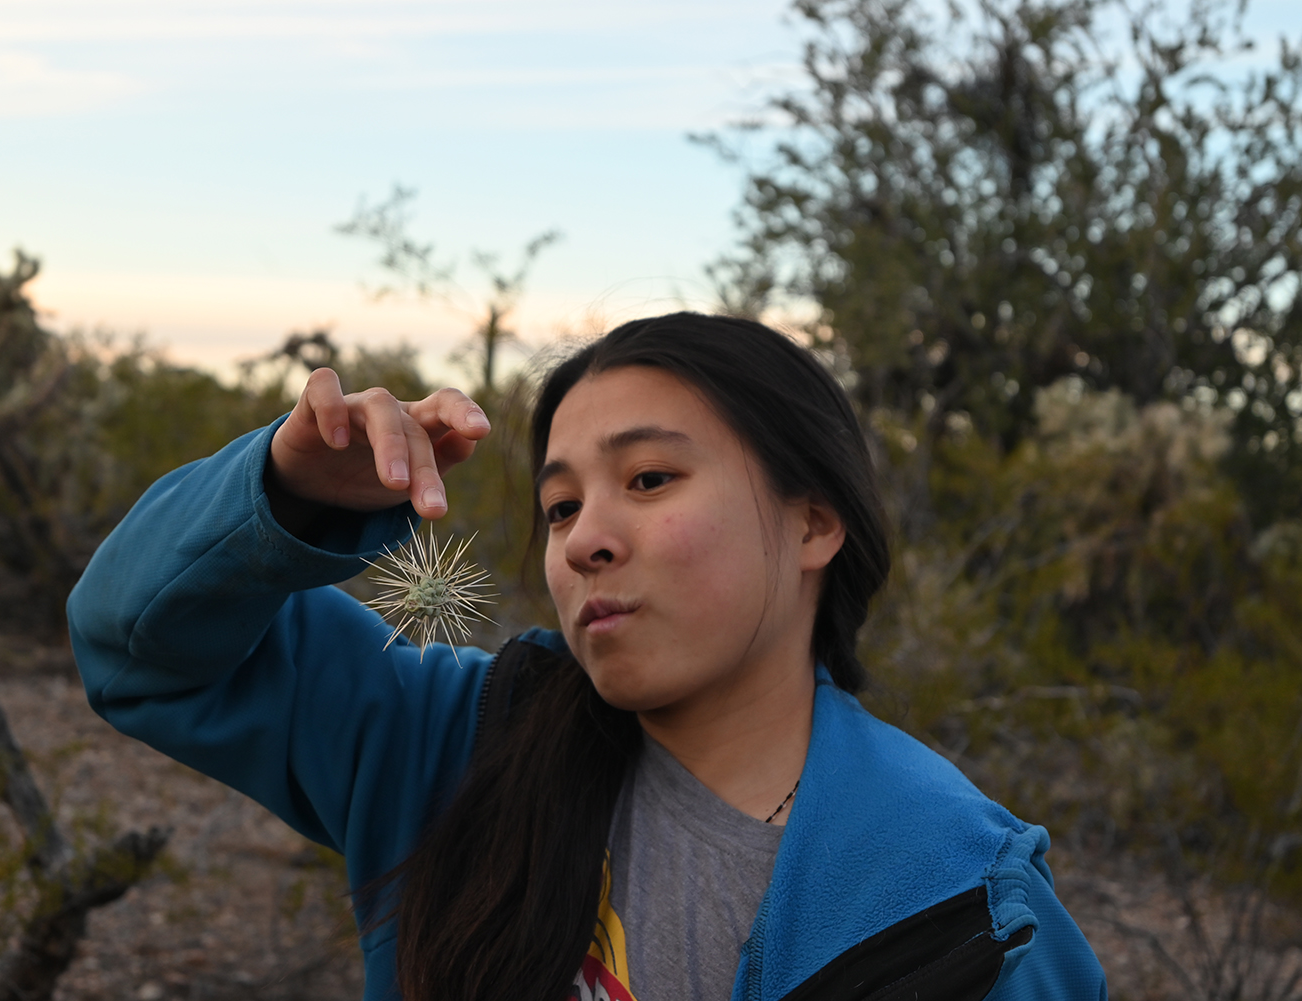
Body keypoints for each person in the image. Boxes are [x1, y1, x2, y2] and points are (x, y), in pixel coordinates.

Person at [68, 312, 1107, 1001]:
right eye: (560, 503)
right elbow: (140, 645)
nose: (582, 537)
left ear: (813, 522)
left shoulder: (967, 897)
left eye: (649, 479)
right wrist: (280, 494)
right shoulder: (452, 748)